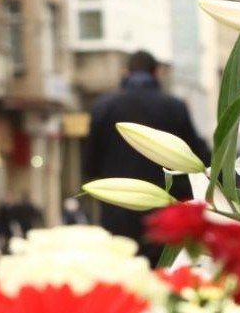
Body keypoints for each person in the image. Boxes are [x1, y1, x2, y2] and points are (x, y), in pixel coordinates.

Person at [83, 50, 210, 266]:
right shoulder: (174, 107)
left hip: (118, 210)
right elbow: (197, 158)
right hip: (165, 214)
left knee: (125, 276)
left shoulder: (103, 107)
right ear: (157, 72)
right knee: (165, 275)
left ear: (125, 72)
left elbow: (90, 164)